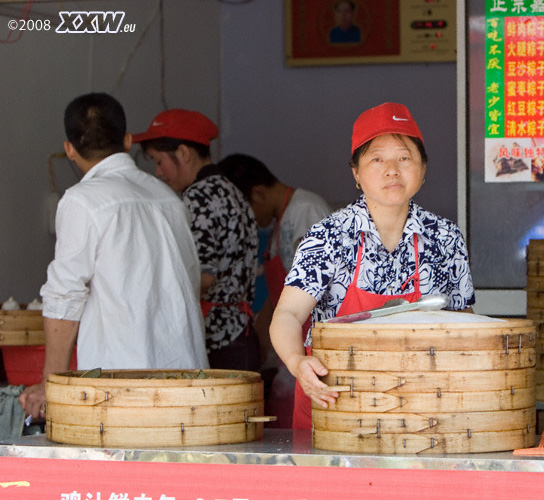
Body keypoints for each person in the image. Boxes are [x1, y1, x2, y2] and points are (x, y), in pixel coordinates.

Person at [269, 102, 475, 430]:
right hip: (336, 403)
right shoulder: (328, 236)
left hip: (420, 410)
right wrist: (297, 363)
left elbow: (464, 323)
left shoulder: (444, 236)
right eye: (377, 158)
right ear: (356, 172)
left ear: (423, 169)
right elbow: (288, 315)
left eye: (404, 157)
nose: (392, 169)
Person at [19, 93, 208, 419]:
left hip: (122, 385)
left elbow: (64, 297)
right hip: (188, 380)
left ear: (69, 149)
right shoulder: (168, 199)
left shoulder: (82, 201)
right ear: (127, 140)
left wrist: (52, 383)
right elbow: (190, 280)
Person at [133, 110, 260, 371]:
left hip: (217, 339)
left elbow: (204, 276)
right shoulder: (231, 190)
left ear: (183, 153)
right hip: (241, 334)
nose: (158, 172)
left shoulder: (197, 197)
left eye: (159, 161)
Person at [219, 153, 331, 427]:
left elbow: (314, 291)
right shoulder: (281, 219)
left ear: (257, 193)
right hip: (291, 350)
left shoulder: (305, 211)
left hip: (312, 348)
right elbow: (279, 294)